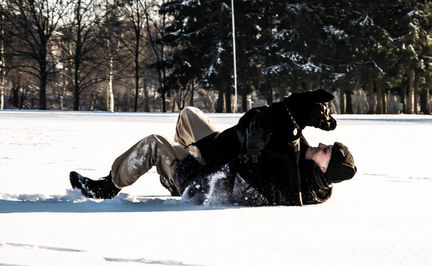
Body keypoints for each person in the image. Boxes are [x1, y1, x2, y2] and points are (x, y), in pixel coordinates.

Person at [70, 91, 357, 206]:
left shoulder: (295, 180)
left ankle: (110, 186)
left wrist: (281, 125)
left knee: (153, 144)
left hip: (207, 181)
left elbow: (260, 158)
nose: (321, 144)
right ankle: (179, 165)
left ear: (323, 167)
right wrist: (294, 108)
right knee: (189, 115)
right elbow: (272, 125)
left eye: (326, 150)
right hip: (220, 155)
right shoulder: (302, 149)